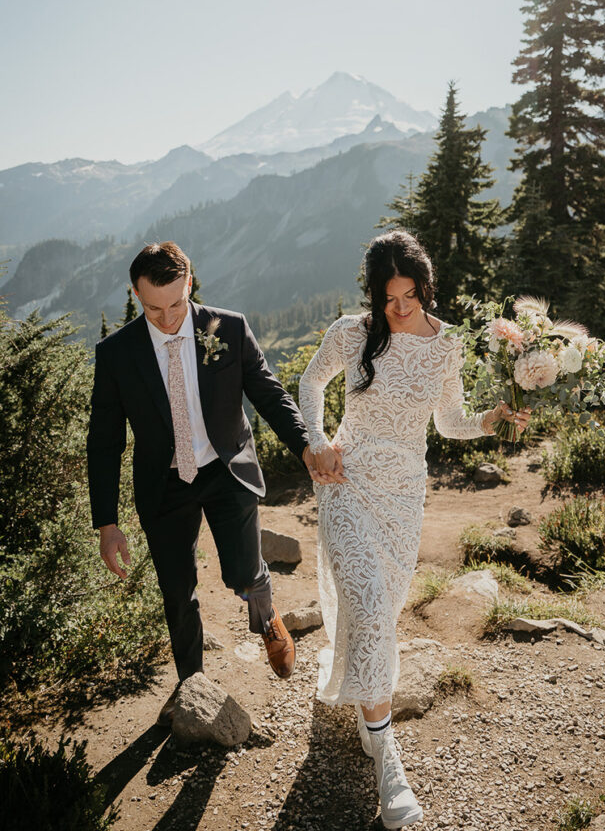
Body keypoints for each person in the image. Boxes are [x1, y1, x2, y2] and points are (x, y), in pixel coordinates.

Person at [298, 231, 530, 829]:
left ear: (424, 287)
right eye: (387, 297)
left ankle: (364, 703)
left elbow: (450, 422)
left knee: (379, 611)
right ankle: (389, 766)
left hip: (404, 493)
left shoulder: (446, 342)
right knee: (372, 609)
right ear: (373, 293)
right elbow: (309, 385)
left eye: (409, 295)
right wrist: (318, 443)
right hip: (347, 482)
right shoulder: (351, 332)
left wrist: (493, 418)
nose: (399, 309)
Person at [88, 240, 318, 724]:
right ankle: (191, 682)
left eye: (176, 304)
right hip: (163, 483)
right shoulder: (115, 354)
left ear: (188, 284)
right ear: (135, 293)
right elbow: (104, 441)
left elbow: (268, 393)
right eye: (153, 308)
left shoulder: (226, 327)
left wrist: (305, 447)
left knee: (241, 572)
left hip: (225, 465)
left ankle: (267, 618)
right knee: (178, 588)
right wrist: (106, 523)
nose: (168, 318)